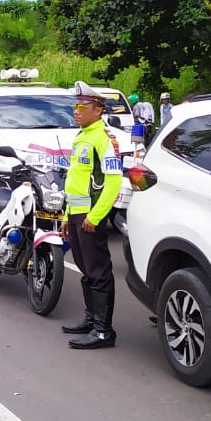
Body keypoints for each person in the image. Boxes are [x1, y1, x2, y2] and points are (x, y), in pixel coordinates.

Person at [61, 81, 124, 349]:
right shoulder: (83, 135)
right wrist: (66, 215)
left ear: (97, 110)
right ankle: (91, 319)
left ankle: (103, 331)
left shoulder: (104, 138)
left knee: (98, 271)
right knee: (85, 269)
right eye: (75, 106)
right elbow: (75, 179)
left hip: (90, 216)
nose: (76, 111)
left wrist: (96, 217)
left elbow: (113, 181)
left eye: (81, 106)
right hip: (76, 212)